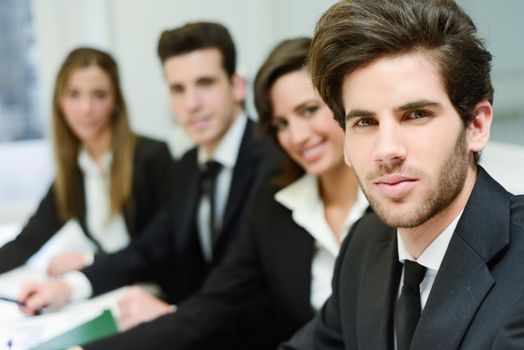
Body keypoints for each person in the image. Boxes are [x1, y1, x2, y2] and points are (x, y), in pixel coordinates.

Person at [73, 37, 368, 350]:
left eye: (308, 111)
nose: (296, 136)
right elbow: (218, 299)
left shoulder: (391, 201)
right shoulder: (276, 205)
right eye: (281, 123)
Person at [280, 1, 524, 349]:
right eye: (365, 122)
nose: (386, 149)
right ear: (345, 142)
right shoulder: (366, 243)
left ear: (477, 126)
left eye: (416, 115)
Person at [18, 21, 281, 330]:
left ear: (237, 86)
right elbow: (150, 247)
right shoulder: (189, 165)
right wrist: (69, 287)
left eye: (206, 83)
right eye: (178, 89)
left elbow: (256, 291)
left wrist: (172, 317)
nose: (191, 105)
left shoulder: (273, 161)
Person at [0, 47, 175, 276]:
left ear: (116, 102)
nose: (86, 109)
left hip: (157, 290)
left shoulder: (152, 156)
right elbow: (27, 242)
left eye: (99, 95)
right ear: (60, 103)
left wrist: (90, 260)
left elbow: (164, 246)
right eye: (74, 94)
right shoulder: (74, 172)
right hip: (113, 289)